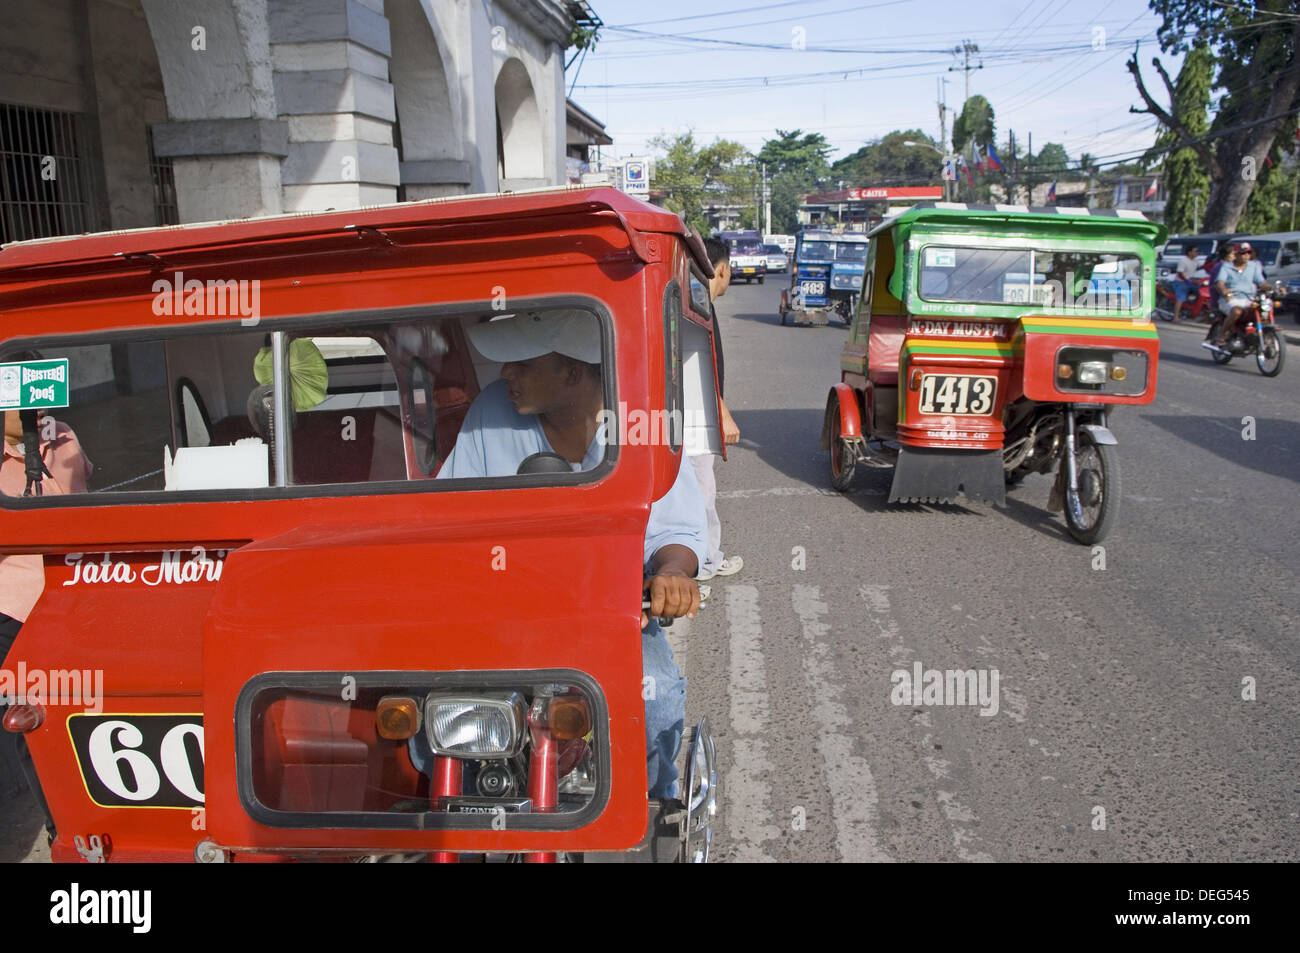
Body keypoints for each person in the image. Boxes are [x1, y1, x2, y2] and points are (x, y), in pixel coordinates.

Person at [437, 309, 706, 799]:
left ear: (574, 371)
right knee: (430, 710)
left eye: (522, 361)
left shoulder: (643, 417)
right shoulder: (491, 408)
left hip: (612, 616)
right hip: (503, 614)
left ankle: (654, 811)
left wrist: (671, 573)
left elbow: (677, 527)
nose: (505, 373)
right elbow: (449, 512)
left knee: (657, 700)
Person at [0, 406, 92, 839]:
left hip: (68, 600)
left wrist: (40, 452)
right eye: (22, 403)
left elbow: (80, 501)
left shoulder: (63, 436)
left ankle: (90, 813)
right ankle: (59, 827)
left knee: (78, 708)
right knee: (28, 723)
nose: (35, 410)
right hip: (14, 608)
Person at [689, 239, 743, 591]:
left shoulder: (697, 297)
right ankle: (702, 566)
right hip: (695, 416)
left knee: (700, 489)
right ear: (721, 269)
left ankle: (708, 557)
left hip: (697, 413)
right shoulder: (697, 303)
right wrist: (723, 411)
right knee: (700, 492)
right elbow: (698, 361)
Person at [1214, 242, 1272, 348]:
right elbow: (1220, 283)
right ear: (1236, 254)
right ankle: (1221, 335)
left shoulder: (1253, 266)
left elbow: (1261, 282)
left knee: (1264, 309)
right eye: (1243, 253)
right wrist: (1224, 290)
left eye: (1249, 253)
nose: (1246, 255)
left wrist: (1272, 287)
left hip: (1249, 298)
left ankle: (1262, 334)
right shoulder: (1226, 267)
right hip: (1230, 299)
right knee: (1237, 311)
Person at [1171, 244, 1200, 323]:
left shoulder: (1195, 261)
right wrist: (1187, 281)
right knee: (1181, 298)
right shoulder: (1183, 260)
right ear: (1189, 252)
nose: (1197, 253)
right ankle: (1175, 317)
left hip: (1191, 282)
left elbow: (1201, 267)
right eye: (1195, 251)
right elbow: (1180, 273)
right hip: (1181, 282)